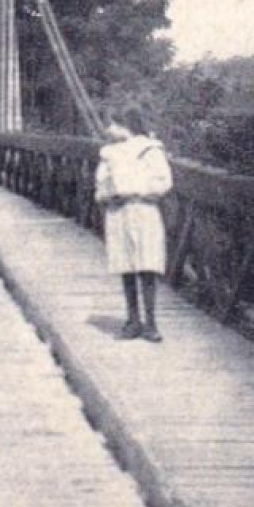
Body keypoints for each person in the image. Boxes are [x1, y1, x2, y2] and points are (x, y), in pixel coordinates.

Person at [94, 106, 174, 342]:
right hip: (118, 211)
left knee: (147, 264)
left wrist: (138, 190)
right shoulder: (109, 153)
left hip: (143, 209)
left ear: (125, 125)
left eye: (113, 124)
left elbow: (163, 181)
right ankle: (132, 320)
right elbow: (101, 182)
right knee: (126, 265)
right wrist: (107, 195)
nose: (108, 129)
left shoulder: (150, 150)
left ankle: (151, 323)